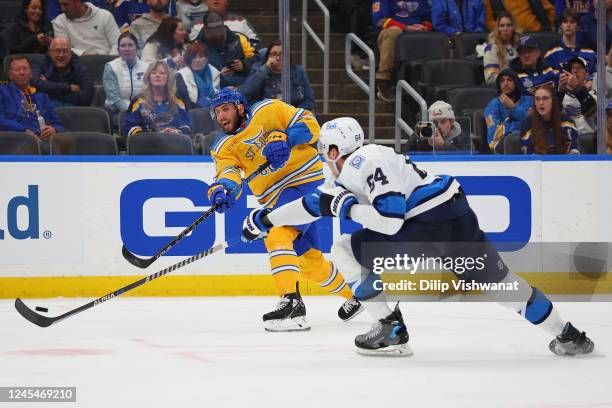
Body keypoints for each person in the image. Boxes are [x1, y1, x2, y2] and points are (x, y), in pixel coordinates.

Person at [240, 116, 595, 357]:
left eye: (324, 153)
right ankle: (568, 335)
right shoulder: (361, 164)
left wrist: (346, 209)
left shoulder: (362, 161)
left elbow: (391, 220)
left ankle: (389, 330)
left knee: (345, 248)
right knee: (504, 285)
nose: (323, 160)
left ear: (334, 151)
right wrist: (265, 219)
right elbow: (314, 203)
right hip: (456, 215)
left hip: (427, 222)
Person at [206, 87, 363, 331]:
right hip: (276, 198)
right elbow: (228, 172)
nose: (221, 117)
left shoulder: (269, 109)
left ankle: (292, 304)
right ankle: (357, 295)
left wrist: (288, 137)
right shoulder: (223, 145)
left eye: (225, 109)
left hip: (305, 183)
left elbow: (311, 126)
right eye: (217, 112)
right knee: (309, 261)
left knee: (276, 233)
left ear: (239, 106)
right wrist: (222, 189)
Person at [0, 55, 65, 154]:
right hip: (15, 139)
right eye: (17, 69)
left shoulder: (42, 97)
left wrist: (54, 129)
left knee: (68, 139)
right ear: (10, 75)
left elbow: (57, 123)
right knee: (31, 145)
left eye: (25, 69)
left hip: (43, 139)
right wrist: (23, 130)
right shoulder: (2, 92)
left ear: (31, 73)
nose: (21, 72)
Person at [372, 0, 433, 102]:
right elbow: (380, 21)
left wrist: (424, 27)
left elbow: (429, 20)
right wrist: (406, 28)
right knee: (394, 31)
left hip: (416, 34)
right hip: (390, 33)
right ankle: (383, 79)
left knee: (437, 38)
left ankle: (429, 81)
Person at [241, 41, 315, 112]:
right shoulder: (258, 70)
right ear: (268, 56)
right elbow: (247, 92)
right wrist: (266, 67)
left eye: (282, 54)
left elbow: (309, 99)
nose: (278, 58)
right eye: (273, 54)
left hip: (293, 115)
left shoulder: (298, 71)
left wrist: (295, 114)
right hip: (266, 114)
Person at [124, 60, 192, 136]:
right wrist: (151, 136)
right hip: (147, 144)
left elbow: (187, 125)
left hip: (174, 142)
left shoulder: (178, 100)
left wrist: (177, 131)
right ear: (148, 77)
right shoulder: (139, 100)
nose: (157, 75)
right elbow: (130, 127)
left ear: (168, 78)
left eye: (162, 73)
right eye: (153, 73)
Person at [196, 12, 255, 87]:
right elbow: (196, 74)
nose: (217, 35)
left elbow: (255, 59)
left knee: (263, 52)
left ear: (223, 25)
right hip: (215, 88)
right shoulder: (198, 47)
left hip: (242, 85)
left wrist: (244, 65)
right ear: (205, 29)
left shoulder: (239, 38)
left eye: (219, 29)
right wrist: (218, 75)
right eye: (213, 31)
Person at [31, 37, 94, 108]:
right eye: (57, 51)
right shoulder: (40, 64)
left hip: (74, 113)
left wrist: (48, 86)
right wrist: (68, 87)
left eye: (65, 51)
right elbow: (34, 84)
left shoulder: (80, 69)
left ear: (71, 53)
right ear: (50, 52)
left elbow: (86, 98)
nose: (61, 55)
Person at [520, 84, 579, 154]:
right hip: (538, 163)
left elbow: (575, 152)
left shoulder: (567, 122)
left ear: (553, 101)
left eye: (545, 98)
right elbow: (528, 157)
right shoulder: (527, 123)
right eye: (537, 99)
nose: (541, 103)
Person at [484, 68, 533, 153]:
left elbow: (536, 123)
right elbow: (495, 132)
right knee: (513, 140)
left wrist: (514, 109)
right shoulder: (492, 106)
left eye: (509, 80)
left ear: (516, 83)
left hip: (529, 138)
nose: (505, 84)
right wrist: (523, 123)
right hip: (500, 143)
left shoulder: (530, 100)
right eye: (502, 81)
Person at [103, 32, 148, 121]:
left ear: (137, 48)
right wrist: (132, 110)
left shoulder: (147, 67)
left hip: (142, 108)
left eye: (130, 45)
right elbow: (114, 98)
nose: (127, 49)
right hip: (116, 110)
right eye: (123, 46)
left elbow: (150, 94)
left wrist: (141, 108)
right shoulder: (111, 67)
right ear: (118, 50)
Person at [52, 0, 121, 55]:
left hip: (106, 61)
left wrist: (110, 62)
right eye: (60, 4)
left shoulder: (105, 16)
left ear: (77, 1)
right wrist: (83, 54)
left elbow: (117, 43)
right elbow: (62, 48)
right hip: (76, 64)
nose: (62, 9)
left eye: (65, 4)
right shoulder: (59, 21)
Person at [543, 9, 596, 74]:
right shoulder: (552, 52)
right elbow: (548, 76)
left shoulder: (589, 53)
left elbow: (596, 74)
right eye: (565, 22)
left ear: (578, 26)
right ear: (561, 26)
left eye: (572, 22)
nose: (568, 25)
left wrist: (590, 80)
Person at [408, 100, 473, 153]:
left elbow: (466, 159)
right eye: (434, 122)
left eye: (443, 122)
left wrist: (444, 145)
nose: (438, 126)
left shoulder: (463, 137)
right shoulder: (425, 133)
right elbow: (405, 155)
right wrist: (419, 140)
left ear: (452, 122)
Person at [189, 0, 259, 47]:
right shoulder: (196, 25)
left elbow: (255, 42)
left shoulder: (241, 21)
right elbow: (192, 49)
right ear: (206, 1)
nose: (215, 1)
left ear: (227, 1)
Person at [175, 42, 220, 110]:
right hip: (194, 112)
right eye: (194, 57)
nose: (197, 60)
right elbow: (186, 103)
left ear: (207, 58)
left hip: (218, 109)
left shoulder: (214, 71)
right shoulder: (181, 75)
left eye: (201, 56)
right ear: (189, 59)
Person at [560, 57, 596, 137]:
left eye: (579, 68)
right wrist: (560, 92)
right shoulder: (563, 95)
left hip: (589, 139)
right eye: (573, 68)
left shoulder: (593, 94)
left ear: (587, 74)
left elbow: (591, 109)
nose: (575, 71)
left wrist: (577, 89)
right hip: (568, 139)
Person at [483, 11, 521, 85]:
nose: (505, 29)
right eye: (502, 26)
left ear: (514, 28)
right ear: (497, 28)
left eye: (509, 25)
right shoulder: (491, 49)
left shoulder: (520, 45)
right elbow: (490, 78)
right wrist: (513, 79)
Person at [483, 0, 556, 33]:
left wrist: (547, 27)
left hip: (536, 33)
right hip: (511, 39)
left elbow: (550, 9)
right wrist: (504, 30)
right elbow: (489, 22)